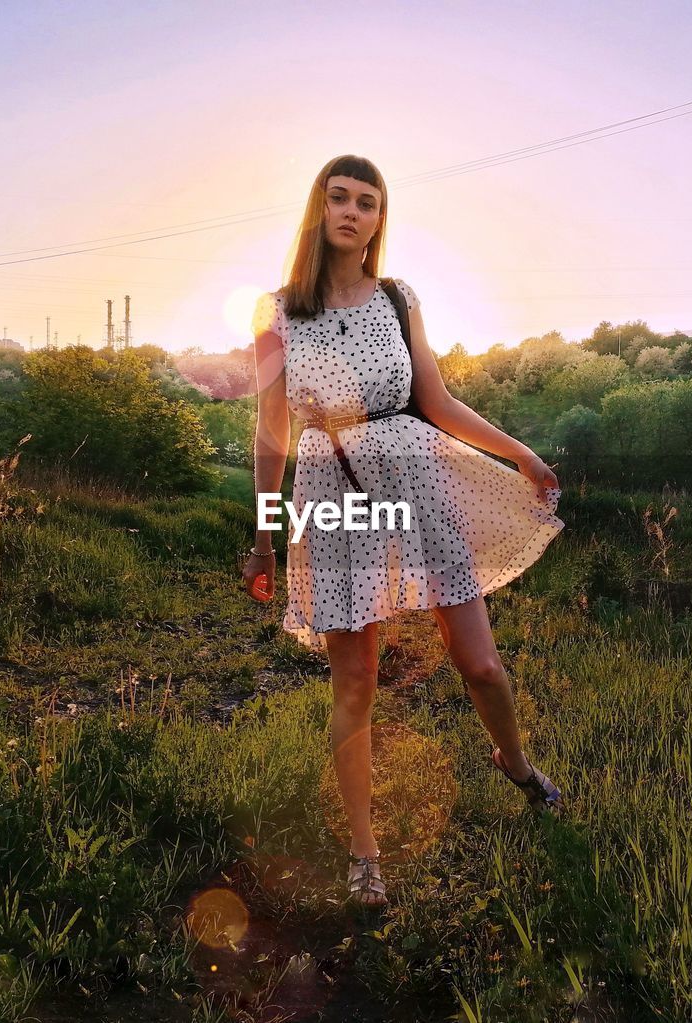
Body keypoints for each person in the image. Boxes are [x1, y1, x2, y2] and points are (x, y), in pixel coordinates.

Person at [243, 154, 565, 910]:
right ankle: (365, 852)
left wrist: (519, 453)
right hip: (332, 489)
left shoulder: (398, 297)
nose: (352, 211)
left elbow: (438, 399)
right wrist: (262, 537)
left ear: (380, 219)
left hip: (417, 476)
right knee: (356, 680)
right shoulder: (277, 311)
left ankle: (515, 762)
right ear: (318, 209)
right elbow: (269, 436)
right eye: (339, 197)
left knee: (480, 663)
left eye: (367, 201)